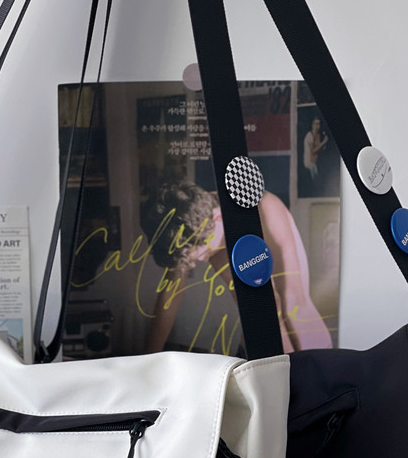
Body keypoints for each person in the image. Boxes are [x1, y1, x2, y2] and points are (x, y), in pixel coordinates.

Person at [142, 181, 333, 353]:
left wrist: (310, 368)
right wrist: (150, 359)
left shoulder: (262, 208)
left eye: (203, 251)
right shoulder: (191, 219)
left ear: (217, 218)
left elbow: (293, 301)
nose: (201, 260)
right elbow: (170, 296)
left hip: (304, 343)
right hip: (252, 349)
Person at [302, 116, 328, 181]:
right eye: (315, 124)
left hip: (315, 164)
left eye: (318, 124)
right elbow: (313, 151)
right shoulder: (309, 135)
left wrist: (323, 146)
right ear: (312, 125)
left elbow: (319, 149)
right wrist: (323, 142)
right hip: (309, 165)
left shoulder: (318, 135)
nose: (317, 126)